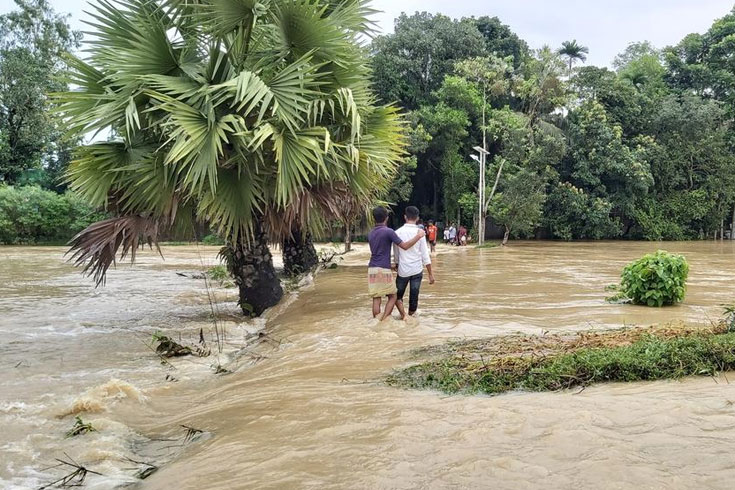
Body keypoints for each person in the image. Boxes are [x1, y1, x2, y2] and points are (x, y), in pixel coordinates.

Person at [367, 206, 425, 321]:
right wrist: (418, 236)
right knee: (393, 296)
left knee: (376, 297)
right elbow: (405, 246)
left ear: (374, 218)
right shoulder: (389, 231)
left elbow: (379, 252)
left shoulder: (371, 233)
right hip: (383, 269)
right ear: (386, 218)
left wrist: (393, 265)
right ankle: (384, 320)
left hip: (372, 268)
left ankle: (376, 320)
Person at [392, 206, 435, 318]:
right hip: (417, 269)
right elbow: (425, 255)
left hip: (403, 270)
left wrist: (396, 264)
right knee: (414, 296)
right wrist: (430, 274)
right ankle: (411, 316)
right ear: (417, 218)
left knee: (397, 295)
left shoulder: (397, 232)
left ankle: (403, 316)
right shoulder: (420, 233)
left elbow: (396, 252)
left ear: (405, 217)